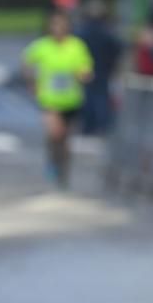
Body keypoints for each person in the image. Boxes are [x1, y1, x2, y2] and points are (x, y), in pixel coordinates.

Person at [23, 11, 94, 188]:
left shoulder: (77, 46)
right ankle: (53, 164)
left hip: (72, 100)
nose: (58, 28)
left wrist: (84, 75)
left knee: (66, 140)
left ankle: (64, 172)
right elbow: (27, 63)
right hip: (49, 100)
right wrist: (32, 83)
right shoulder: (41, 46)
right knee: (55, 133)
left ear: (68, 27)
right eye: (54, 25)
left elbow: (86, 68)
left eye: (61, 25)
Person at [75, 0, 122, 134]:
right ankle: (102, 126)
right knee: (101, 98)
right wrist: (112, 64)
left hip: (86, 70)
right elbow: (117, 48)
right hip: (102, 69)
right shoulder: (107, 32)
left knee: (88, 98)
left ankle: (88, 126)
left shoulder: (81, 32)